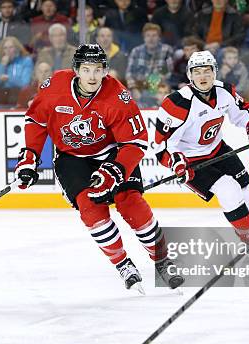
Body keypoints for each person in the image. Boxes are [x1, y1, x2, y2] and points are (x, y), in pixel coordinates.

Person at [15, 44, 184, 292]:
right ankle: (123, 264)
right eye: (86, 69)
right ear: (76, 70)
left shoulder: (118, 96)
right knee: (91, 209)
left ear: (105, 70)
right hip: (72, 158)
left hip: (113, 154)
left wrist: (115, 169)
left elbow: (135, 143)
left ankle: (162, 260)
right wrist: (30, 156)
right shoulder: (55, 87)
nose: (92, 76)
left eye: (97, 69)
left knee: (131, 204)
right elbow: (36, 120)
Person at [155, 50, 249, 249]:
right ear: (190, 75)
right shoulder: (176, 103)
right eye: (197, 72)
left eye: (207, 71)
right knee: (229, 190)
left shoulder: (225, 91)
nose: (203, 76)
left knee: (246, 190)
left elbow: (243, 113)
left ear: (215, 72)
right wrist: (176, 163)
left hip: (218, 149)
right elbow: (163, 145)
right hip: (191, 161)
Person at [0, 36, 33, 105]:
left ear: (16, 48)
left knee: (13, 97)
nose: (8, 50)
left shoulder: (26, 60)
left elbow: (25, 83)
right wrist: (2, 66)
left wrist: (9, 78)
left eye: (11, 47)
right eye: (5, 48)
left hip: (19, 91)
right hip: (2, 91)